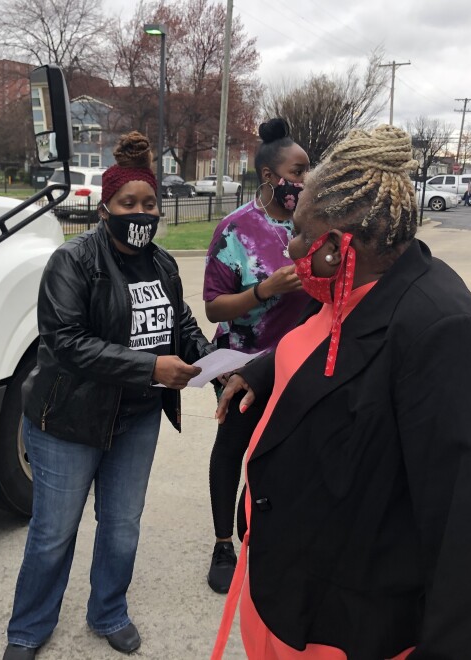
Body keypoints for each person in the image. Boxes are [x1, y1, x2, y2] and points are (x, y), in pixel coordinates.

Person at [211, 125, 471, 659]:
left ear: (336, 248)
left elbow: (467, 531)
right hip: (285, 590)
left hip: (350, 626)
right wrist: (265, 368)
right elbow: (323, 338)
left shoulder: (449, 333)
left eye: (302, 233)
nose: (291, 244)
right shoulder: (349, 286)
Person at [3, 132, 212, 659]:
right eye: (128, 203)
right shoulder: (72, 263)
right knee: (54, 531)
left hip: (137, 419)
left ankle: (109, 611)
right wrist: (151, 368)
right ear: (105, 208)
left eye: (149, 204)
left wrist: (214, 362)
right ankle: (28, 628)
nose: (139, 213)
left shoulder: (162, 264)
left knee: (121, 525)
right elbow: (67, 344)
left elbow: (180, 323)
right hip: (69, 420)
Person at [202, 118, 311, 594]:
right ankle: (223, 543)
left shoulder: (314, 227)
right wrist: (264, 290)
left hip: (297, 363)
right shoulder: (236, 230)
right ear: (270, 176)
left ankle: (258, 529)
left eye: (309, 171)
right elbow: (213, 306)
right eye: (298, 170)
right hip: (241, 364)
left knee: (279, 454)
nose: (305, 181)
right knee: (233, 450)